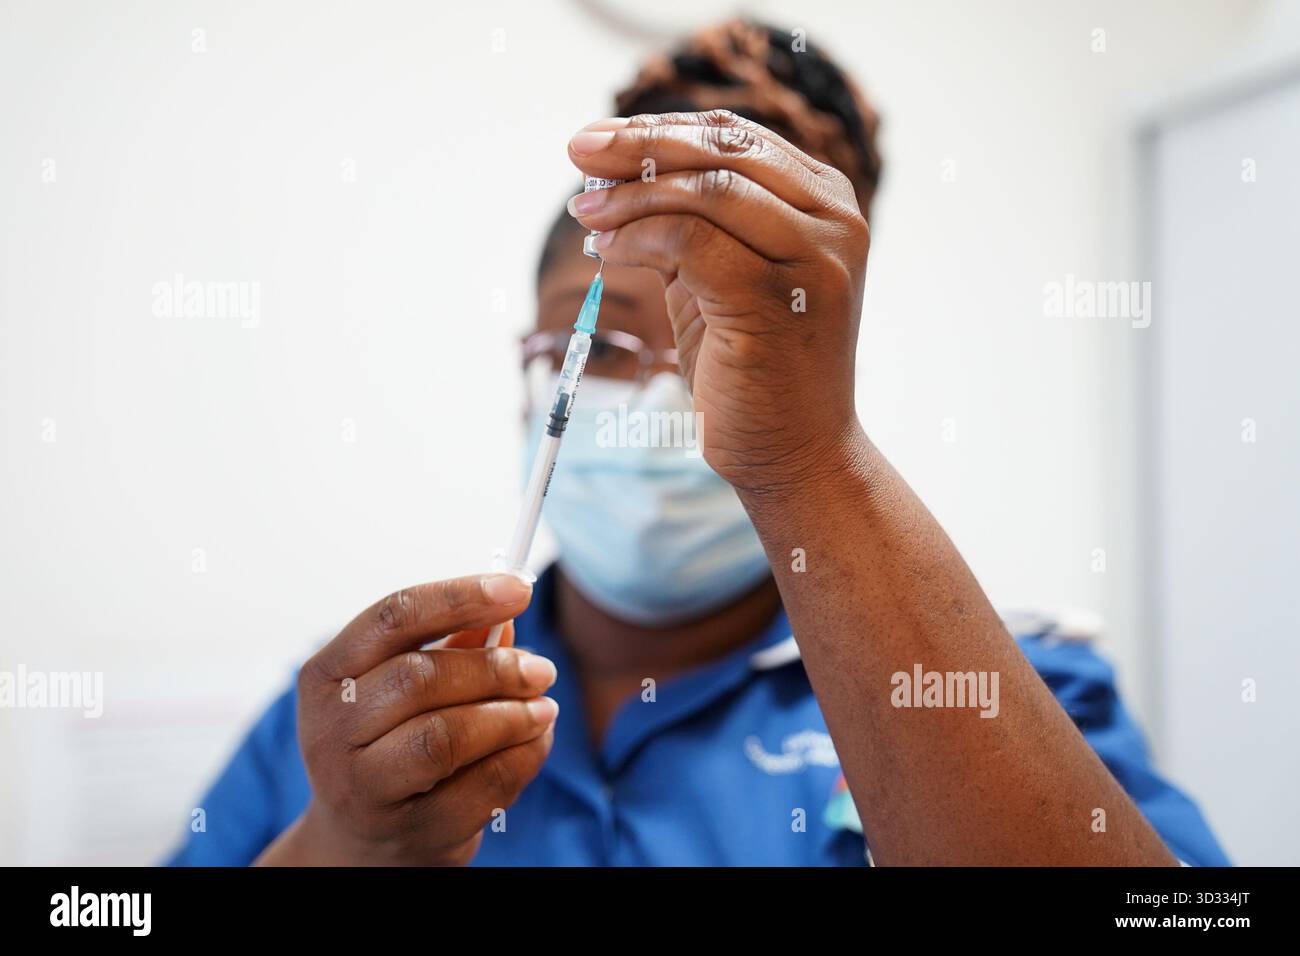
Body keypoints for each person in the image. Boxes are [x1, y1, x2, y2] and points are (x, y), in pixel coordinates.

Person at [168, 20, 1227, 867]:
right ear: (536, 359)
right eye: (610, 349)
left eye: (719, 345)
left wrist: (807, 461)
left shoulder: (1004, 693)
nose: (661, 401)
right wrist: (343, 847)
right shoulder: (371, 722)